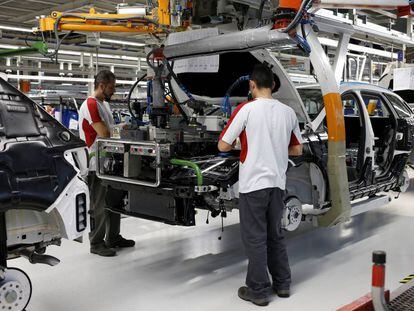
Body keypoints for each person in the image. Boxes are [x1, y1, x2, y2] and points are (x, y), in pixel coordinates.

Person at [218, 64, 303, 306]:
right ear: (274, 85)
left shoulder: (246, 110)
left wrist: (244, 145)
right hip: (277, 183)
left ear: (251, 85)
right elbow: (297, 149)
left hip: (253, 183)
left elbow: (223, 145)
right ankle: (283, 284)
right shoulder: (288, 112)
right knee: (275, 234)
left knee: (255, 237)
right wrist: (274, 147)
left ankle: (257, 290)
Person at [79, 70, 135, 257]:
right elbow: (104, 133)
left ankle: (113, 237)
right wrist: (117, 130)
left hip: (108, 162)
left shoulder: (104, 104)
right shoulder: (90, 104)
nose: (113, 92)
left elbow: (109, 130)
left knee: (114, 202)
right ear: (101, 86)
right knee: (98, 205)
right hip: (95, 164)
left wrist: (120, 128)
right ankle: (96, 243)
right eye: (111, 88)